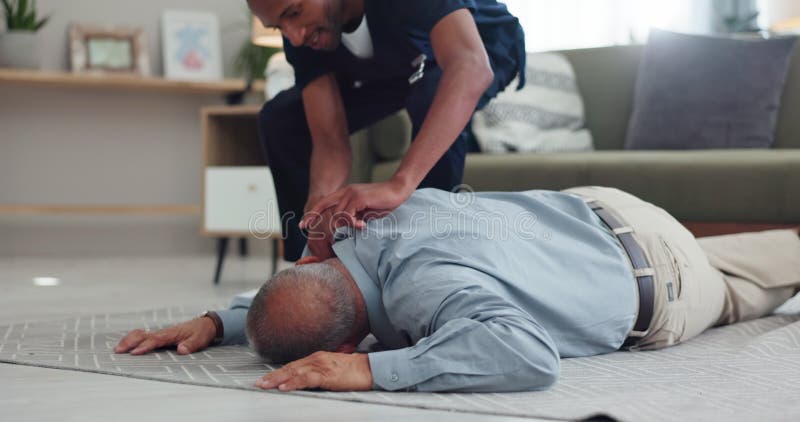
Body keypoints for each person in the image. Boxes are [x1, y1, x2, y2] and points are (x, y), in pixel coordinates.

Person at [115, 187, 800, 393]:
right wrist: (220, 320)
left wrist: (372, 369)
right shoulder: (365, 223)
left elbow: (527, 356)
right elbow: (310, 294)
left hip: (667, 283)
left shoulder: (421, 296)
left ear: (351, 339)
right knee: (746, 254)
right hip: (602, 213)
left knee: (768, 275)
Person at [248, 0, 527, 261]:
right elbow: (330, 141)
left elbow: (472, 66)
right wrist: (320, 207)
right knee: (282, 119)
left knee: (430, 94)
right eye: (279, 27)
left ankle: (430, 258)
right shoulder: (302, 33)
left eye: (294, 13)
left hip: (481, 46)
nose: (294, 37)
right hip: (400, 63)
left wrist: (399, 185)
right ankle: (309, 263)